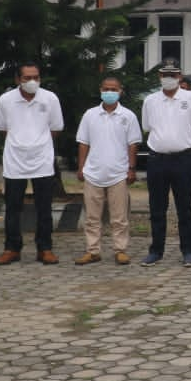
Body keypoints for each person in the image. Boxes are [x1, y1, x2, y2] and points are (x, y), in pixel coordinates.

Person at [0, 62, 64, 266]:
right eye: (27, 78)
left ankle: (45, 248)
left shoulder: (50, 98)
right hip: (14, 160)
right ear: (17, 80)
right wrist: (21, 143)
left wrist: (37, 143)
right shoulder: (5, 100)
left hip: (42, 159)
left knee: (44, 207)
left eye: (36, 77)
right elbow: (2, 128)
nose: (32, 82)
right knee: (13, 207)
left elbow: (56, 128)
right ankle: (12, 248)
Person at [141, 58, 191, 267]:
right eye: (165, 75)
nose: (169, 79)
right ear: (159, 76)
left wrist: (182, 141)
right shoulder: (150, 100)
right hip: (157, 159)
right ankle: (156, 251)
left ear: (179, 76)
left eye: (173, 75)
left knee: (184, 207)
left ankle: (188, 251)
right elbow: (147, 127)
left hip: (183, 159)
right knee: (156, 208)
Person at [74, 75, 142, 266]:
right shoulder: (90, 115)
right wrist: (81, 167)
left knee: (119, 217)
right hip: (93, 173)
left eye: (114, 89)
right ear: (100, 90)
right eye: (106, 89)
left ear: (120, 91)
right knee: (92, 217)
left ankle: (120, 250)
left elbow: (133, 144)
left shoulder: (128, 116)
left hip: (118, 173)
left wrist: (131, 168)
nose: (109, 92)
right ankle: (92, 250)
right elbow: (83, 143)